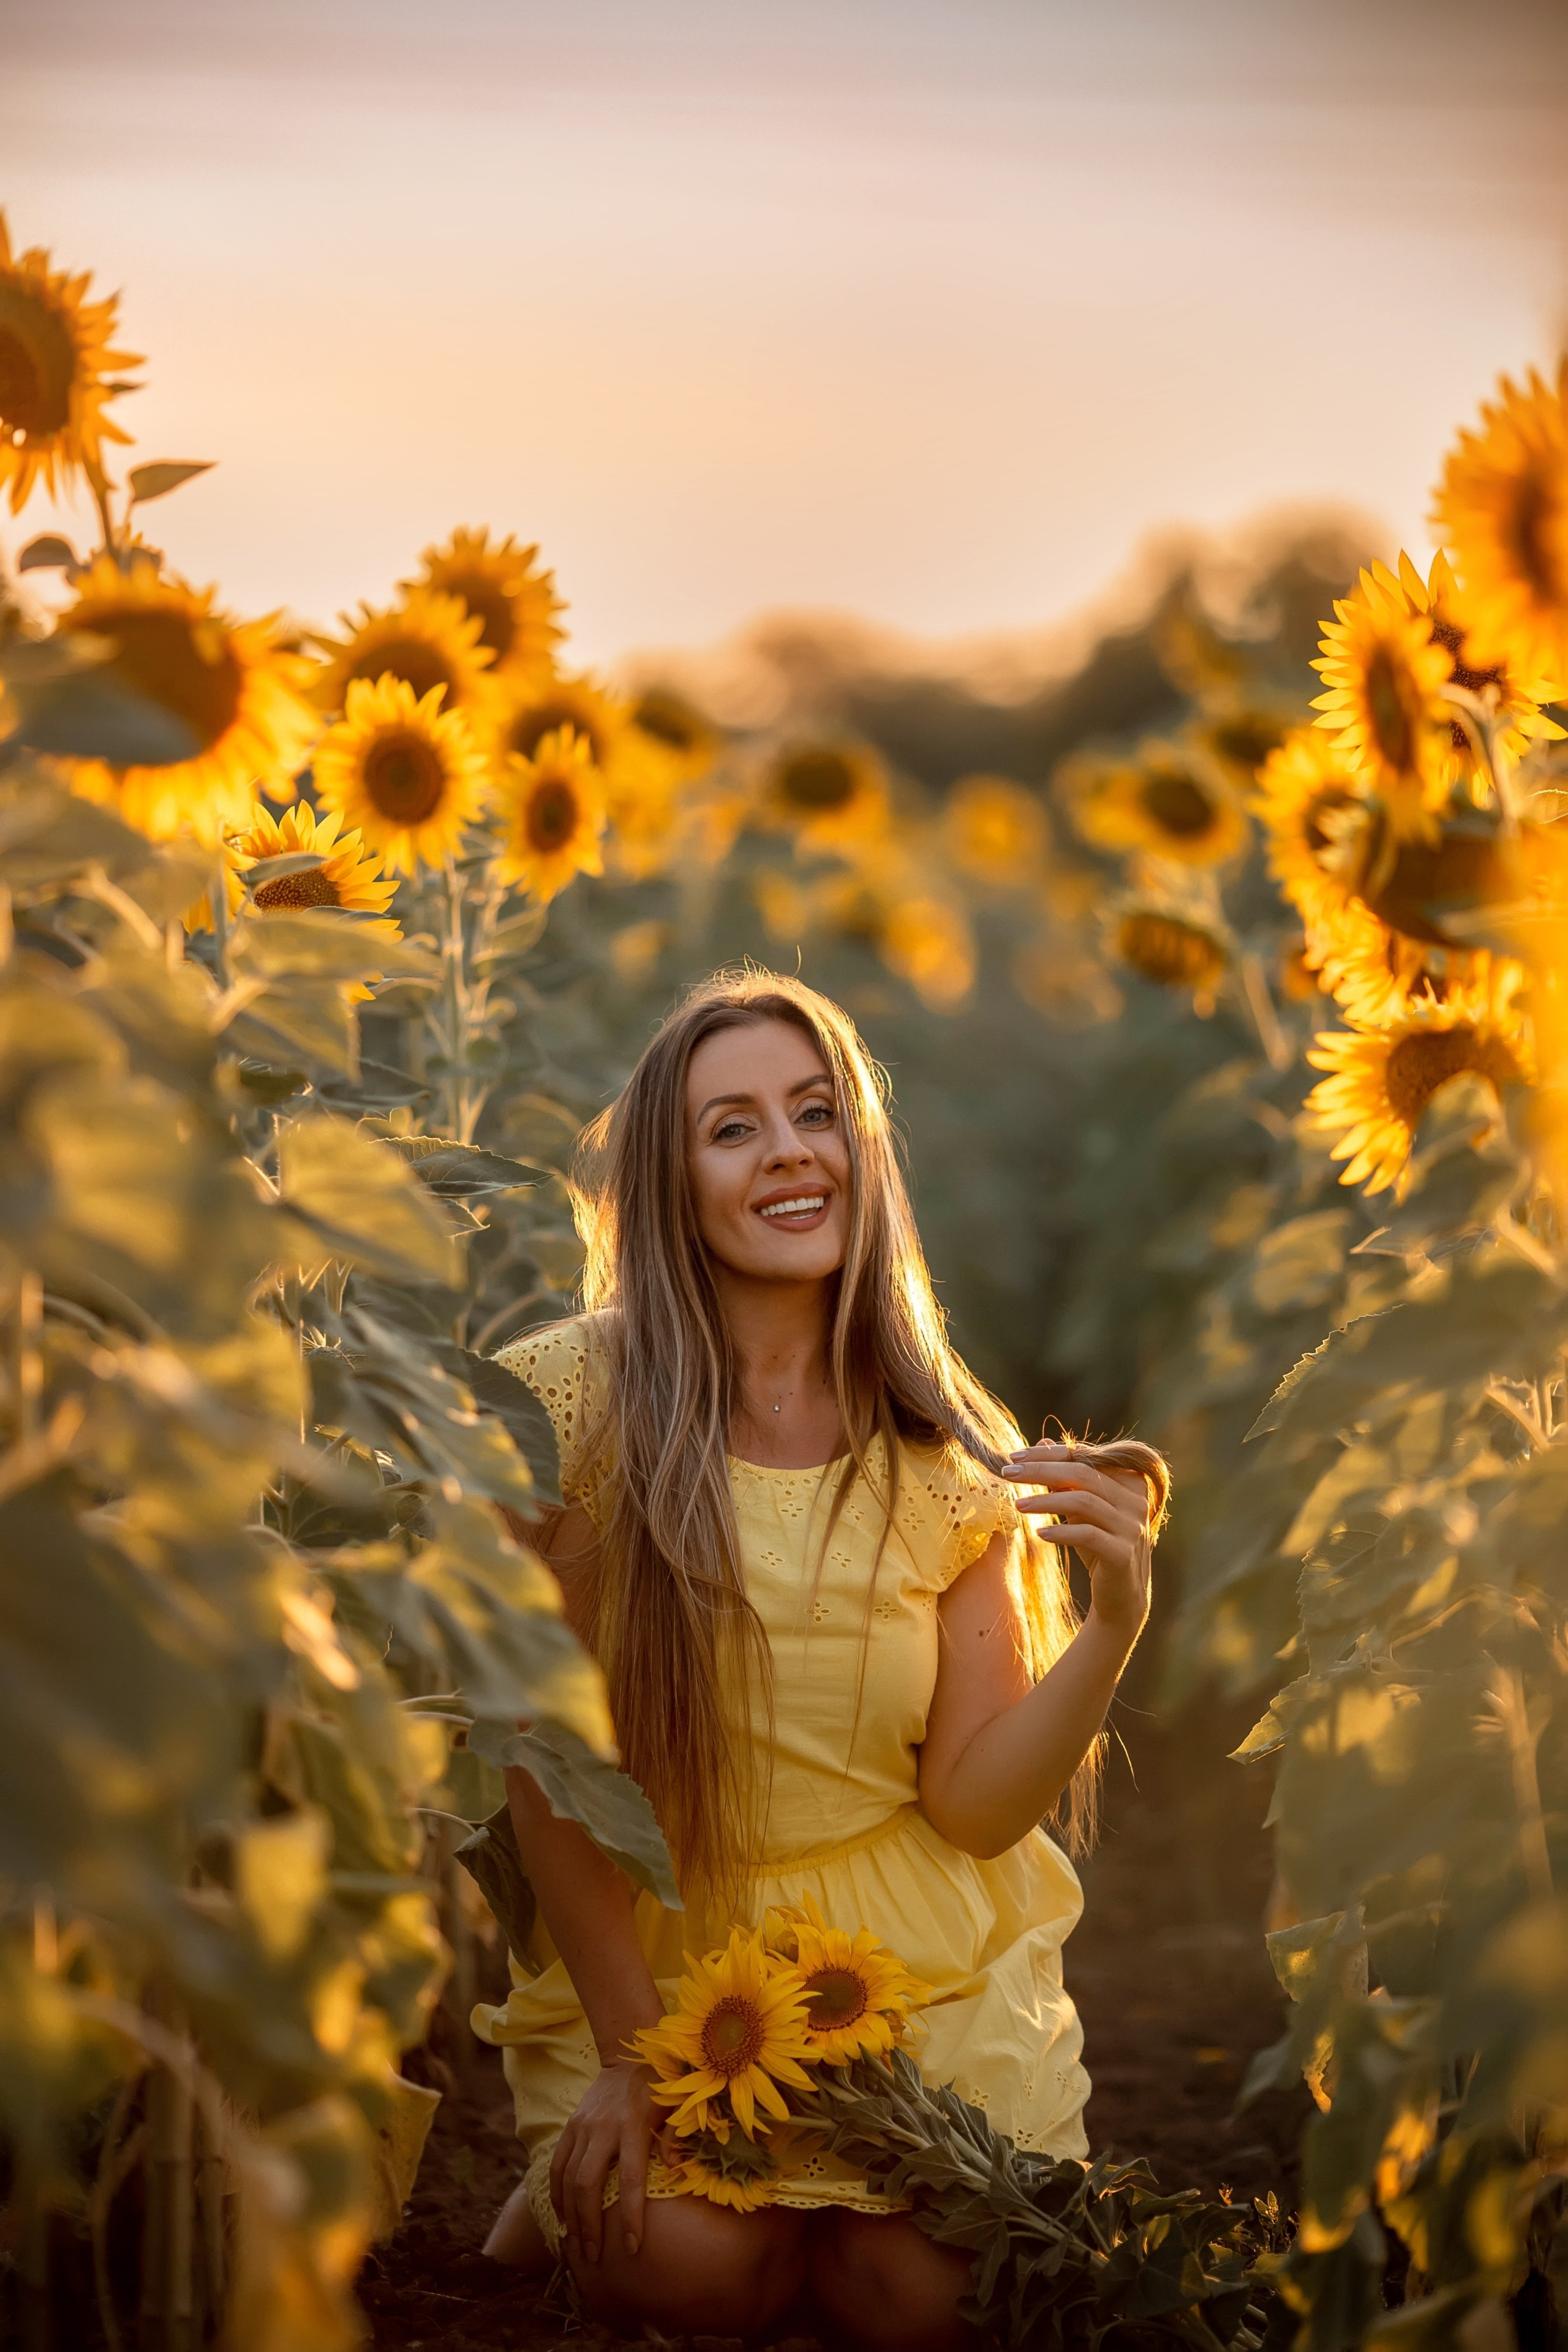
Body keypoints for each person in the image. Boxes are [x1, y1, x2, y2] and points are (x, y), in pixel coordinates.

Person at [475, 970, 1163, 2351]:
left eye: (815, 1112)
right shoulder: (570, 1404)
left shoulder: (942, 1451)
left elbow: (974, 1806)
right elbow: (544, 1769)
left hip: (901, 1964)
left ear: (862, 1148)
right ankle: (595, 2203)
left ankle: (791, 2244)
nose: (790, 1151)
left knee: (930, 2296)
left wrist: (1110, 1629)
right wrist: (626, 2057)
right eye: (732, 1129)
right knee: (686, 2271)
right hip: (662, 1952)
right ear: (670, 1187)